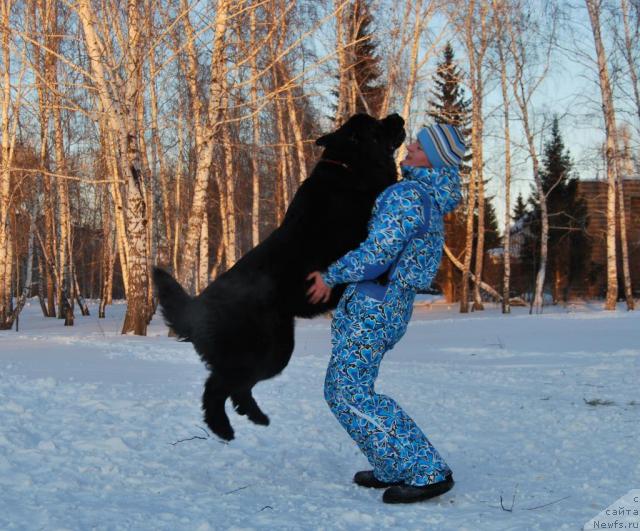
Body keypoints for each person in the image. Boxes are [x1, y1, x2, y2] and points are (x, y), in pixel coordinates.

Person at [306, 123, 465, 504]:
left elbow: (378, 253)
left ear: (435, 159)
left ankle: (428, 470)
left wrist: (331, 275)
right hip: (387, 304)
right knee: (347, 389)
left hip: (374, 304)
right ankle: (392, 463)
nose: (410, 146)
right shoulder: (425, 196)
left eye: (420, 145)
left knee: (348, 392)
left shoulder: (408, 195)